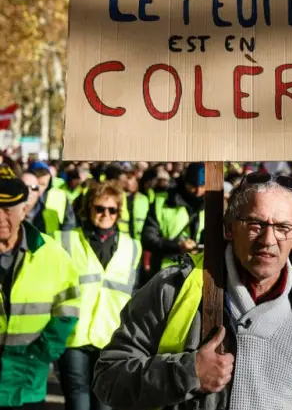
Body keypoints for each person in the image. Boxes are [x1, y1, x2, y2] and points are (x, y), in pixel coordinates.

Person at [93, 172, 292, 410]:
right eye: (255, 225)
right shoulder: (173, 289)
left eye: (282, 228)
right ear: (229, 228)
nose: (268, 240)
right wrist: (187, 373)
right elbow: (109, 378)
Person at [0, 165, 81, 409]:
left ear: (23, 211)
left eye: (7, 210)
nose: (0, 218)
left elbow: (68, 306)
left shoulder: (51, 254)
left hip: (26, 382)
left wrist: (43, 352)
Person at [57, 181, 142, 410]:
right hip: (73, 335)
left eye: (112, 209)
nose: (106, 214)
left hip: (111, 339)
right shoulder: (66, 240)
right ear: (88, 209)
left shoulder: (132, 246)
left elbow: (134, 292)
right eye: (99, 208)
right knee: (78, 402)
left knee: (104, 404)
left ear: (119, 212)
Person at [140, 163, 206, 279]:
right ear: (184, 181)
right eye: (192, 185)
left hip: (197, 274)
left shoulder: (212, 205)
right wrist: (177, 246)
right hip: (164, 274)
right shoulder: (162, 201)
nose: (198, 191)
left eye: (203, 186)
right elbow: (148, 238)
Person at [23, 162, 77, 235]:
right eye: (36, 183)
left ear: (49, 184)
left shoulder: (60, 196)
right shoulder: (21, 197)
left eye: (43, 184)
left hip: (53, 242)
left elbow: (69, 224)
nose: (38, 188)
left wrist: (62, 243)